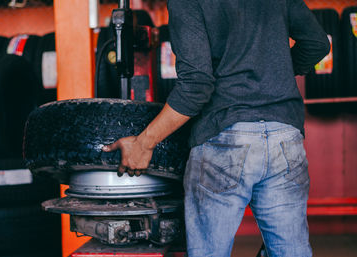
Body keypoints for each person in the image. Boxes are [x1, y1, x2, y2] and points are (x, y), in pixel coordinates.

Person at [103, 0, 330, 256]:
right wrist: (273, 77)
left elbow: (196, 85)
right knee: (291, 252)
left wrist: (144, 142)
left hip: (225, 135)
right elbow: (317, 43)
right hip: (284, 136)